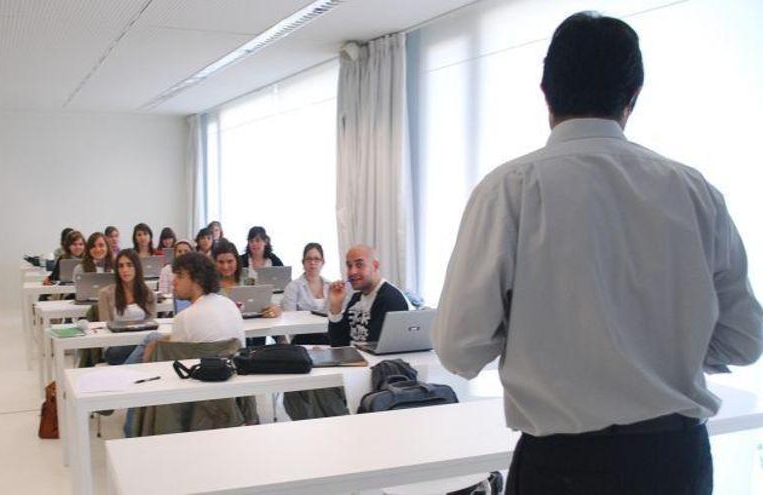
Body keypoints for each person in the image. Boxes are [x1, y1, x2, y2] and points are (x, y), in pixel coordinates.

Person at [432, 12, 763, 495]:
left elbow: (459, 347)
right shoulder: (695, 192)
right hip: (675, 462)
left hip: (563, 465)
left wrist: (535, 339)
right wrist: (665, 350)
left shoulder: (509, 189)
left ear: (545, 90)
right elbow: (744, 340)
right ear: (634, 96)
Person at [129, 252, 246, 364]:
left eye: (179, 276)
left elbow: (170, 358)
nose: (173, 282)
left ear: (197, 280)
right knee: (154, 338)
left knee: (151, 342)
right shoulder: (230, 304)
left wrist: (151, 352)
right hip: (233, 370)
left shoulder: (185, 317)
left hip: (196, 376)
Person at [327, 245, 408, 347]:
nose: (352, 271)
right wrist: (336, 307)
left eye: (359, 265)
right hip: (354, 359)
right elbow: (338, 345)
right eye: (349, 266)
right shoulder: (356, 298)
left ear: (375, 266)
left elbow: (376, 348)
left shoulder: (390, 299)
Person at [98, 249, 156, 365]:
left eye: (129, 265)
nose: (125, 270)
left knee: (154, 344)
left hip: (141, 341)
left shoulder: (149, 293)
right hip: (116, 344)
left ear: (137, 267)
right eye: (121, 266)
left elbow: (152, 324)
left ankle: (126, 371)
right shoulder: (105, 293)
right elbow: (104, 327)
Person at [281, 242, 331, 345]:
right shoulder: (293, 287)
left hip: (328, 336)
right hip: (302, 337)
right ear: (303, 263)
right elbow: (289, 319)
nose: (312, 262)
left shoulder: (330, 286)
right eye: (309, 259)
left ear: (323, 262)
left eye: (316, 259)